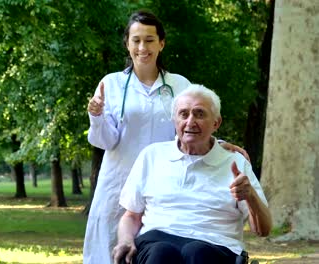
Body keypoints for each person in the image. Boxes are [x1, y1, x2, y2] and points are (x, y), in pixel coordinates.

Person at [84, 10, 249, 264]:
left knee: (157, 251)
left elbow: (191, 127)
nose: (143, 47)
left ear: (161, 43)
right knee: (111, 252)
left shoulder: (179, 84)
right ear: (127, 43)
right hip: (117, 183)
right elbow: (105, 141)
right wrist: (96, 116)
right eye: (136, 40)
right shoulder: (112, 84)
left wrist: (222, 145)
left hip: (163, 186)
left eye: (150, 40)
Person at [112, 84, 272, 264]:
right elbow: (131, 216)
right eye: (184, 114)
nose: (190, 121)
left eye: (199, 113)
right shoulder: (152, 156)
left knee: (196, 252)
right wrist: (125, 240)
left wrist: (250, 196)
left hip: (214, 245)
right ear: (174, 121)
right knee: (162, 252)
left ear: (216, 123)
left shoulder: (236, 163)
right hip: (155, 242)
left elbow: (263, 230)